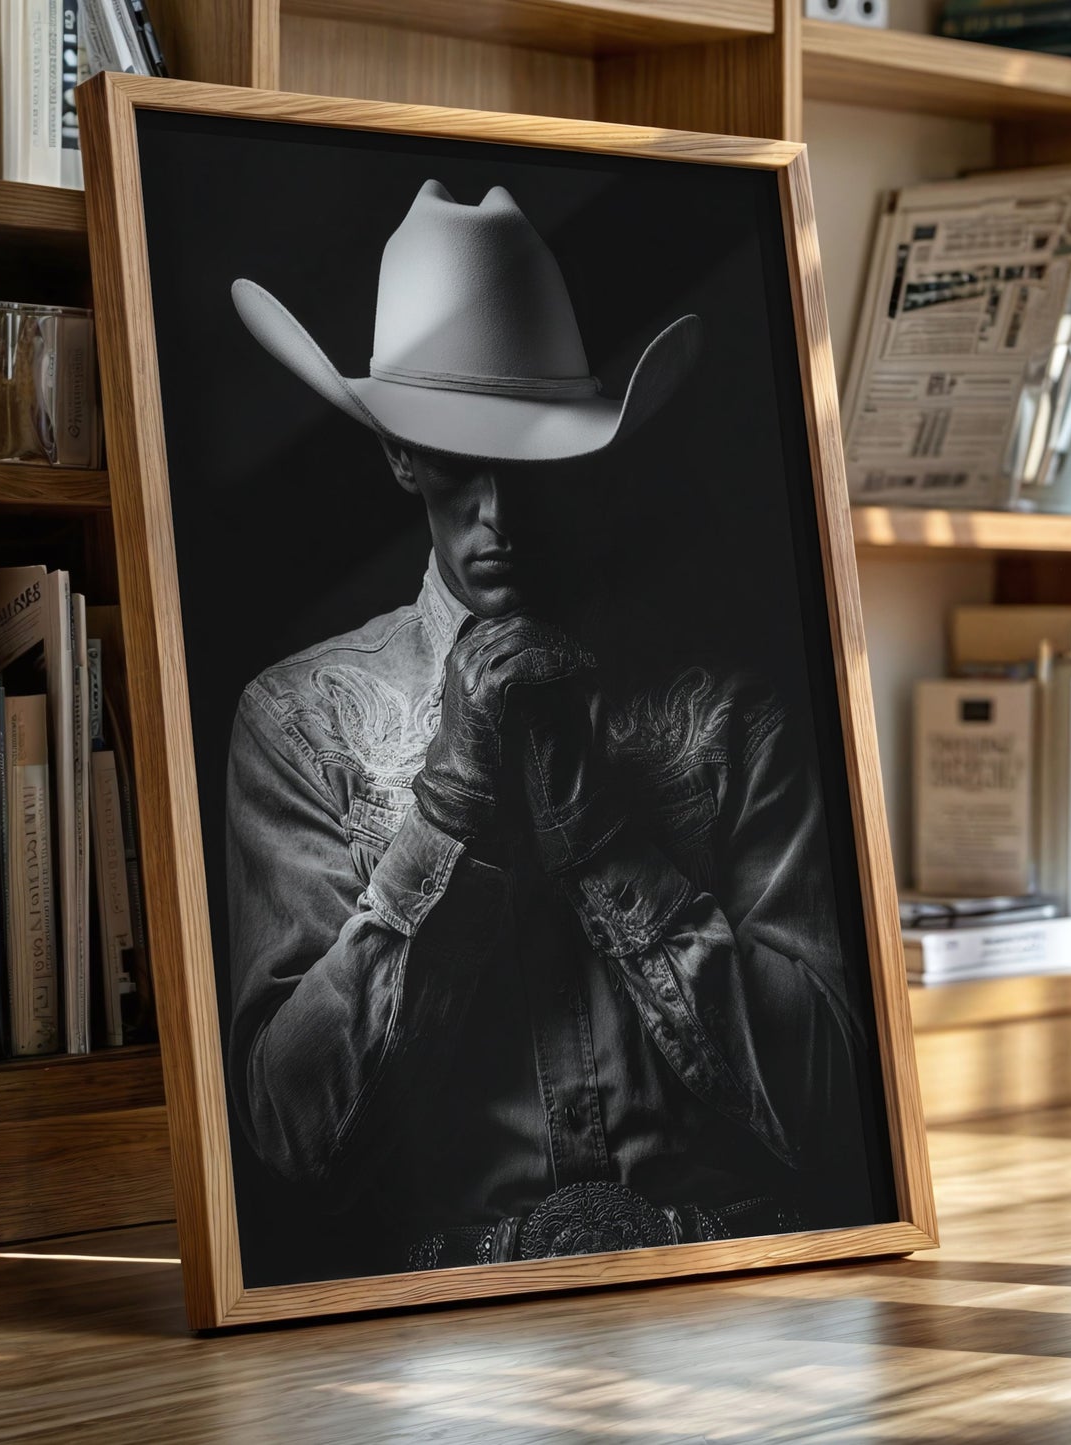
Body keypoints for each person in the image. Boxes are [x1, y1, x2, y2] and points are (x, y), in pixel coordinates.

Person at [225, 179, 879, 1277]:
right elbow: (292, 1133)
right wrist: (446, 818)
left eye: (528, 460)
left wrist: (608, 840)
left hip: (736, 1283)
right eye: (452, 458)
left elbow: (831, 1099)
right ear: (397, 457)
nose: (499, 513)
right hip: (423, 1319)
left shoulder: (727, 712)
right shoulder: (300, 720)